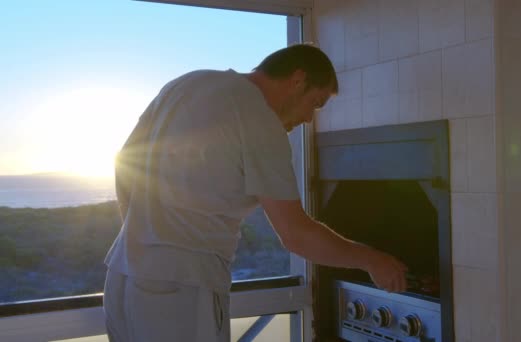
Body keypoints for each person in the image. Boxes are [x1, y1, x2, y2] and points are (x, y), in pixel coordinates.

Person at [103, 43, 408, 342]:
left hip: (122, 277)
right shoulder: (260, 119)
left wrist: (142, 236)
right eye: (315, 103)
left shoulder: (188, 84)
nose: (308, 119)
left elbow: (125, 165)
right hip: (181, 290)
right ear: (298, 79)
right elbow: (296, 234)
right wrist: (371, 260)